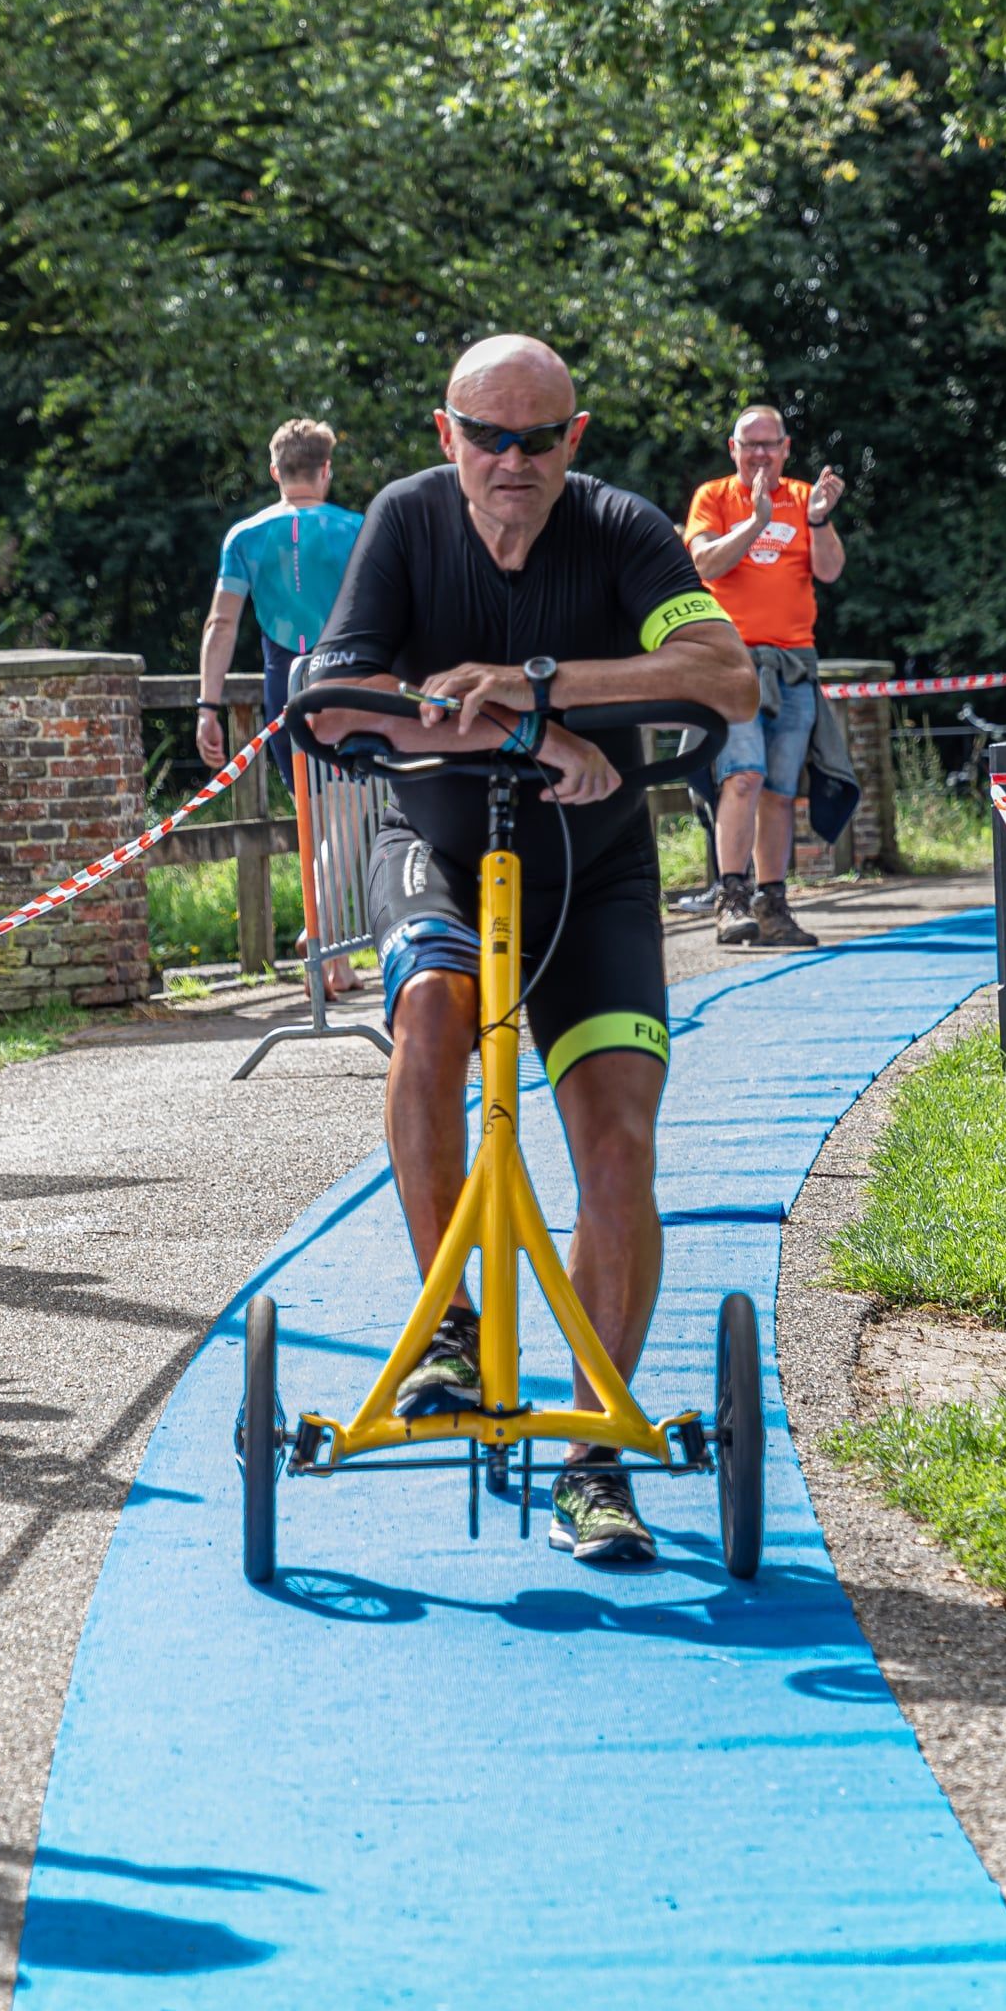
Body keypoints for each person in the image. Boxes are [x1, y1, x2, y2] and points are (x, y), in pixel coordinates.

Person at [304, 334, 756, 1565]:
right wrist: (525, 742)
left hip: (591, 877)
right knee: (431, 1016)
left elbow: (724, 678)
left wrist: (534, 687)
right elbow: (333, 704)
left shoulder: (620, 530)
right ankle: (447, 1329)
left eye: (537, 438)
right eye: (486, 435)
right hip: (440, 853)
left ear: (576, 438)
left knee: (617, 1145)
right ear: (445, 431)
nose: (511, 460)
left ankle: (593, 1455)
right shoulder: (402, 522)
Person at [196, 418, 366, 996]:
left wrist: (207, 706)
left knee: (318, 825)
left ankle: (335, 964)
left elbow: (222, 623)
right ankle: (318, 930)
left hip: (281, 690)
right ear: (326, 470)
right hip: (343, 686)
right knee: (347, 821)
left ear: (274, 471)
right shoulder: (357, 529)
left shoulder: (244, 536)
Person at [684, 404, 846, 946]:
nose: (758, 453)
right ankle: (731, 900)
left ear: (785, 448)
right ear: (732, 449)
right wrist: (754, 522)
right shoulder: (713, 498)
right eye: (748, 444)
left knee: (778, 790)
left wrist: (819, 519)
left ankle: (772, 908)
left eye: (768, 444)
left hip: (794, 664)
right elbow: (705, 565)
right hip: (732, 665)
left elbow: (829, 571)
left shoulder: (804, 499)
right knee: (742, 776)